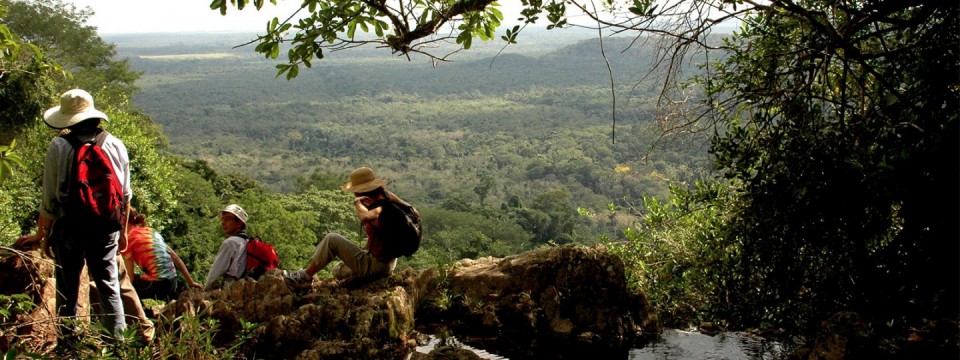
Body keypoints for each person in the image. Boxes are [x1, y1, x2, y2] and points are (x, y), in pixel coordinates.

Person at [16, 89, 129, 339]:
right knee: (109, 287)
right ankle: (119, 346)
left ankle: (69, 344)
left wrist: (42, 233)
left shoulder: (59, 146)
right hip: (107, 228)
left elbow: (50, 199)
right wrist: (123, 231)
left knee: (67, 289)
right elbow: (125, 195)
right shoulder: (114, 143)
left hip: (70, 229)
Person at [285, 167, 417, 283]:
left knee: (332, 240)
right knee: (337, 270)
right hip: (389, 263)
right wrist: (408, 206)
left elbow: (365, 217)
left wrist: (357, 203)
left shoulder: (378, 209)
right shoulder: (385, 197)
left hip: (376, 265)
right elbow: (398, 201)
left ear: (359, 192)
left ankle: (305, 277)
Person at [122, 207, 203, 300]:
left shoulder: (128, 239)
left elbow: (130, 278)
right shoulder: (151, 231)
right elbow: (175, 257)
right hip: (172, 282)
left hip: (157, 285)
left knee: (122, 280)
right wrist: (190, 282)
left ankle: (141, 312)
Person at [204, 204, 250, 291]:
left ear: (239, 223)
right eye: (223, 219)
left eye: (228, 219)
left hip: (232, 291)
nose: (223, 222)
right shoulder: (247, 242)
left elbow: (215, 273)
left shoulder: (230, 243)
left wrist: (206, 291)